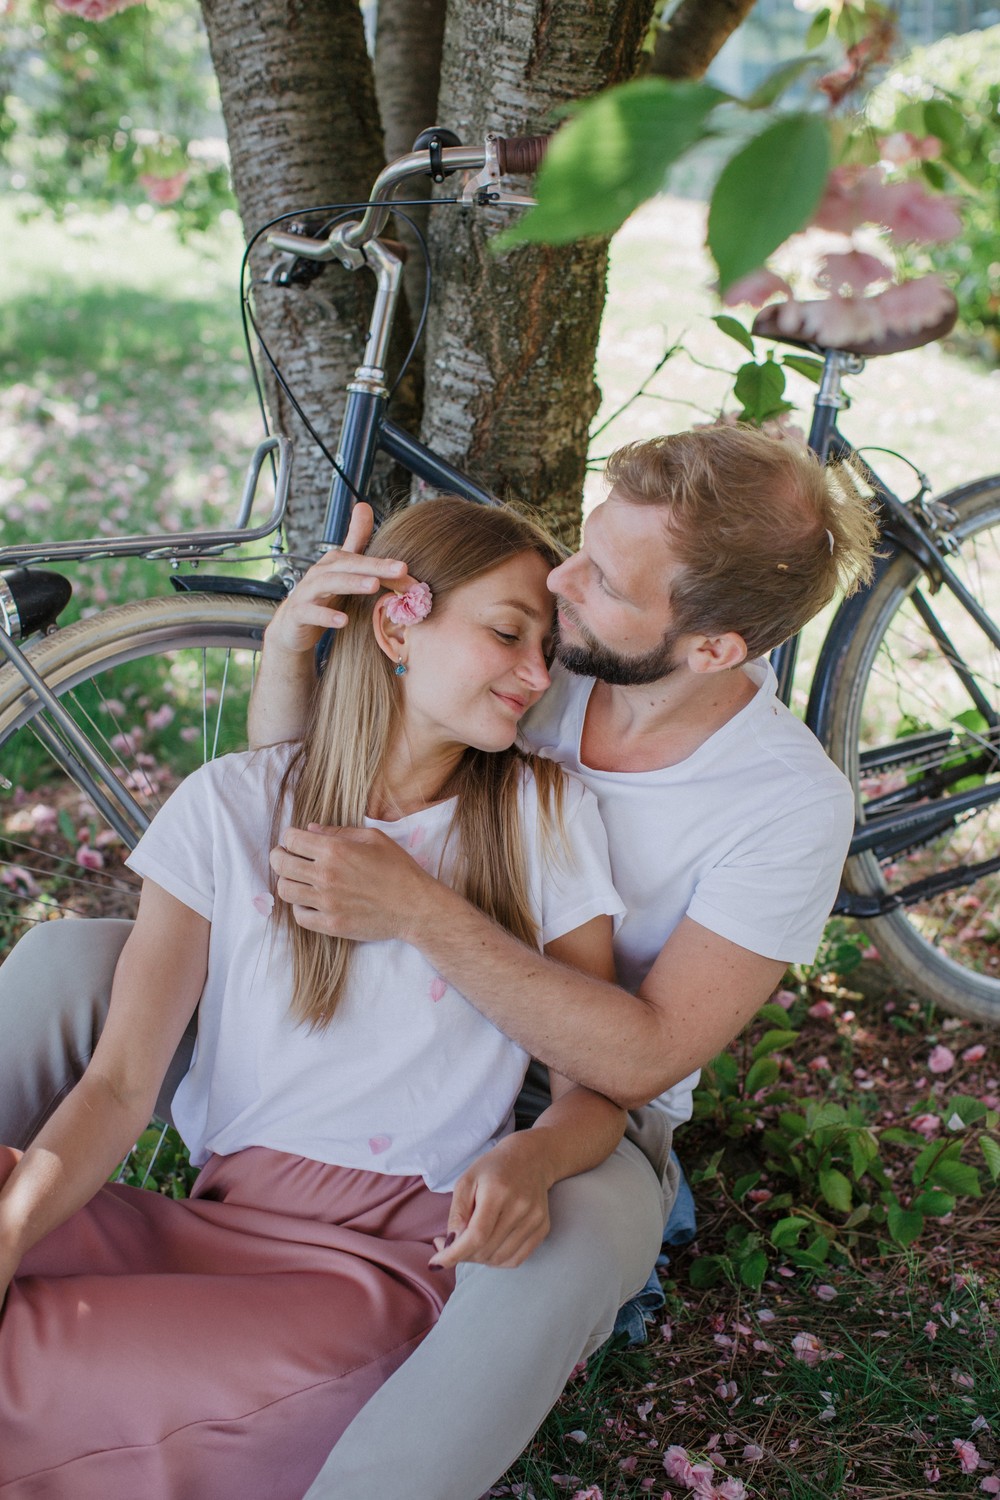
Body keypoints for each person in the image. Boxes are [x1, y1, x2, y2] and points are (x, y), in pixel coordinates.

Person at [0, 424, 877, 1500]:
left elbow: (636, 1060)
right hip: (329, 1024)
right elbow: (309, 795)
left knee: (542, 1250)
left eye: (597, 581)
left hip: (573, 1097)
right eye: (576, 555)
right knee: (66, 964)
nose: (558, 593)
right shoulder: (528, 666)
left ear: (711, 648)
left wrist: (420, 915)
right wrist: (289, 652)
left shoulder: (775, 800)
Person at [0, 497, 630, 1498]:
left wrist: (535, 1153)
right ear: (396, 622)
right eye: (507, 632)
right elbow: (121, 1083)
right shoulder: (230, 802)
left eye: (546, 649)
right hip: (202, 1227)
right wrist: (15, 1227)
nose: (534, 675)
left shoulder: (541, 816)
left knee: (34, 1361)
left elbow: (598, 1078)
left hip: (367, 1279)